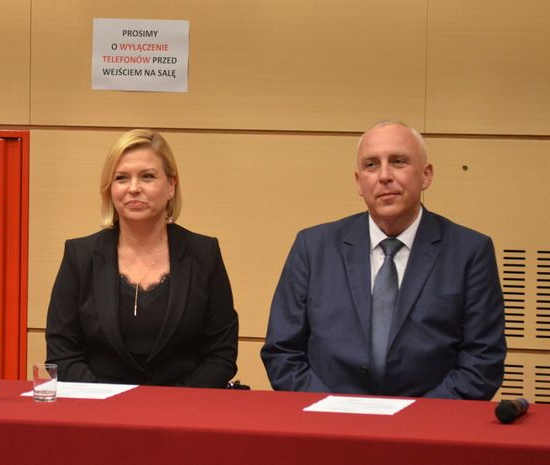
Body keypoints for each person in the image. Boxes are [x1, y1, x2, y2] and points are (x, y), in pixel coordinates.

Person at [261, 121, 506, 399]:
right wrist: (333, 411)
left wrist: (413, 418)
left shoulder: (470, 252)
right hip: (328, 418)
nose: (384, 176)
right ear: (358, 182)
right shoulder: (313, 247)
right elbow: (282, 352)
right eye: (371, 165)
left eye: (398, 161)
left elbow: (482, 362)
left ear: (426, 175)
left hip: (428, 421)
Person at [45, 129, 238, 387]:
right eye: (121, 178)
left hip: (184, 406)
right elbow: (62, 353)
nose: (134, 188)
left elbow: (221, 355)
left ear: (171, 186)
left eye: (147, 176)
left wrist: (174, 403)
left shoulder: (204, 253)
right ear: (110, 189)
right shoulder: (80, 256)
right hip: (98, 406)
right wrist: (109, 403)